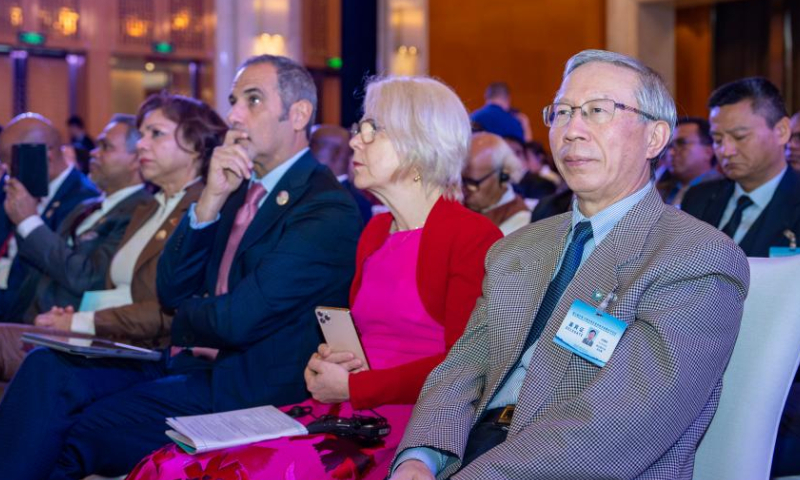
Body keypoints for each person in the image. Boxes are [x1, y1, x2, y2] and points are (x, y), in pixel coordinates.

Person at [390, 49, 748, 480]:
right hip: (470, 450)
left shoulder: (693, 256)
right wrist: (420, 458)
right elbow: (465, 365)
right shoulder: (518, 248)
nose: (572, 130)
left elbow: (620, 425)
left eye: (597, 111)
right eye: (561, 112)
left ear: (655, 138)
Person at [0, 55, 362, 479]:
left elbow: (239, 320)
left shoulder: (324, 205)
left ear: (297, 114)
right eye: (233, 100)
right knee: (47, 367)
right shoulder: (234, 186)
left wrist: (181, 319)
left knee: (82, 428)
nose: (234, 115)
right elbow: (172, 289)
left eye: (253, 100)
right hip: (187, 363)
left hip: (244, 388)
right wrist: (208, 201)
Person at [127, 74, 501, 480]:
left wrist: (356, 388)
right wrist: (326, 361)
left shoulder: (471, 237)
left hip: (409, 429)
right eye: (360, 129)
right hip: (344, 409)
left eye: (373, 130)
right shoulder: (376, 231)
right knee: (166, 463)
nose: (356, 141)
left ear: (419, 144)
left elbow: (466, 369)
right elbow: (363, 340)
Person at [0, 114, 152, 381]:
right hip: (30, 319)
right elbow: (40, 263)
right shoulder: (89, 206)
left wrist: (28, 220)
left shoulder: (139, 211)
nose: (93, 152)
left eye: (106, 147)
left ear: (136, 159)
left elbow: (87, 276)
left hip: (65, 335)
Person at [682, 77, 800, 257]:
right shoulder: (698, 199)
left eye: (740, 137)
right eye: (717, 140)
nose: (726, 151)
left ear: (781, 131)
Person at [0, 113, 100, 322]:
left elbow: (62, 269)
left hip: (34, 308)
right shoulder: (11, 188)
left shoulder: (84, 199)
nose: (6, 171)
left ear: (44, 155)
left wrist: (27, 217)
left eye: (11, 160)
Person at [462, 132, 529, 235]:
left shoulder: (521, 221)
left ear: (504, 175)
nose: (462, 189)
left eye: (472, 183)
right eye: (460, 180)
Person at [310, 123, 373, 224]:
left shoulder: (346, 201)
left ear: (335, 154)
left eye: (314, 146)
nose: (309, 154)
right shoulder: (355, 197)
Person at [658, 117, 721, 207]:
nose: (671, 152)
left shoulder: (721, 191)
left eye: (681, 143)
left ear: (708, 151)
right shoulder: (662, 189)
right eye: (670, 146)